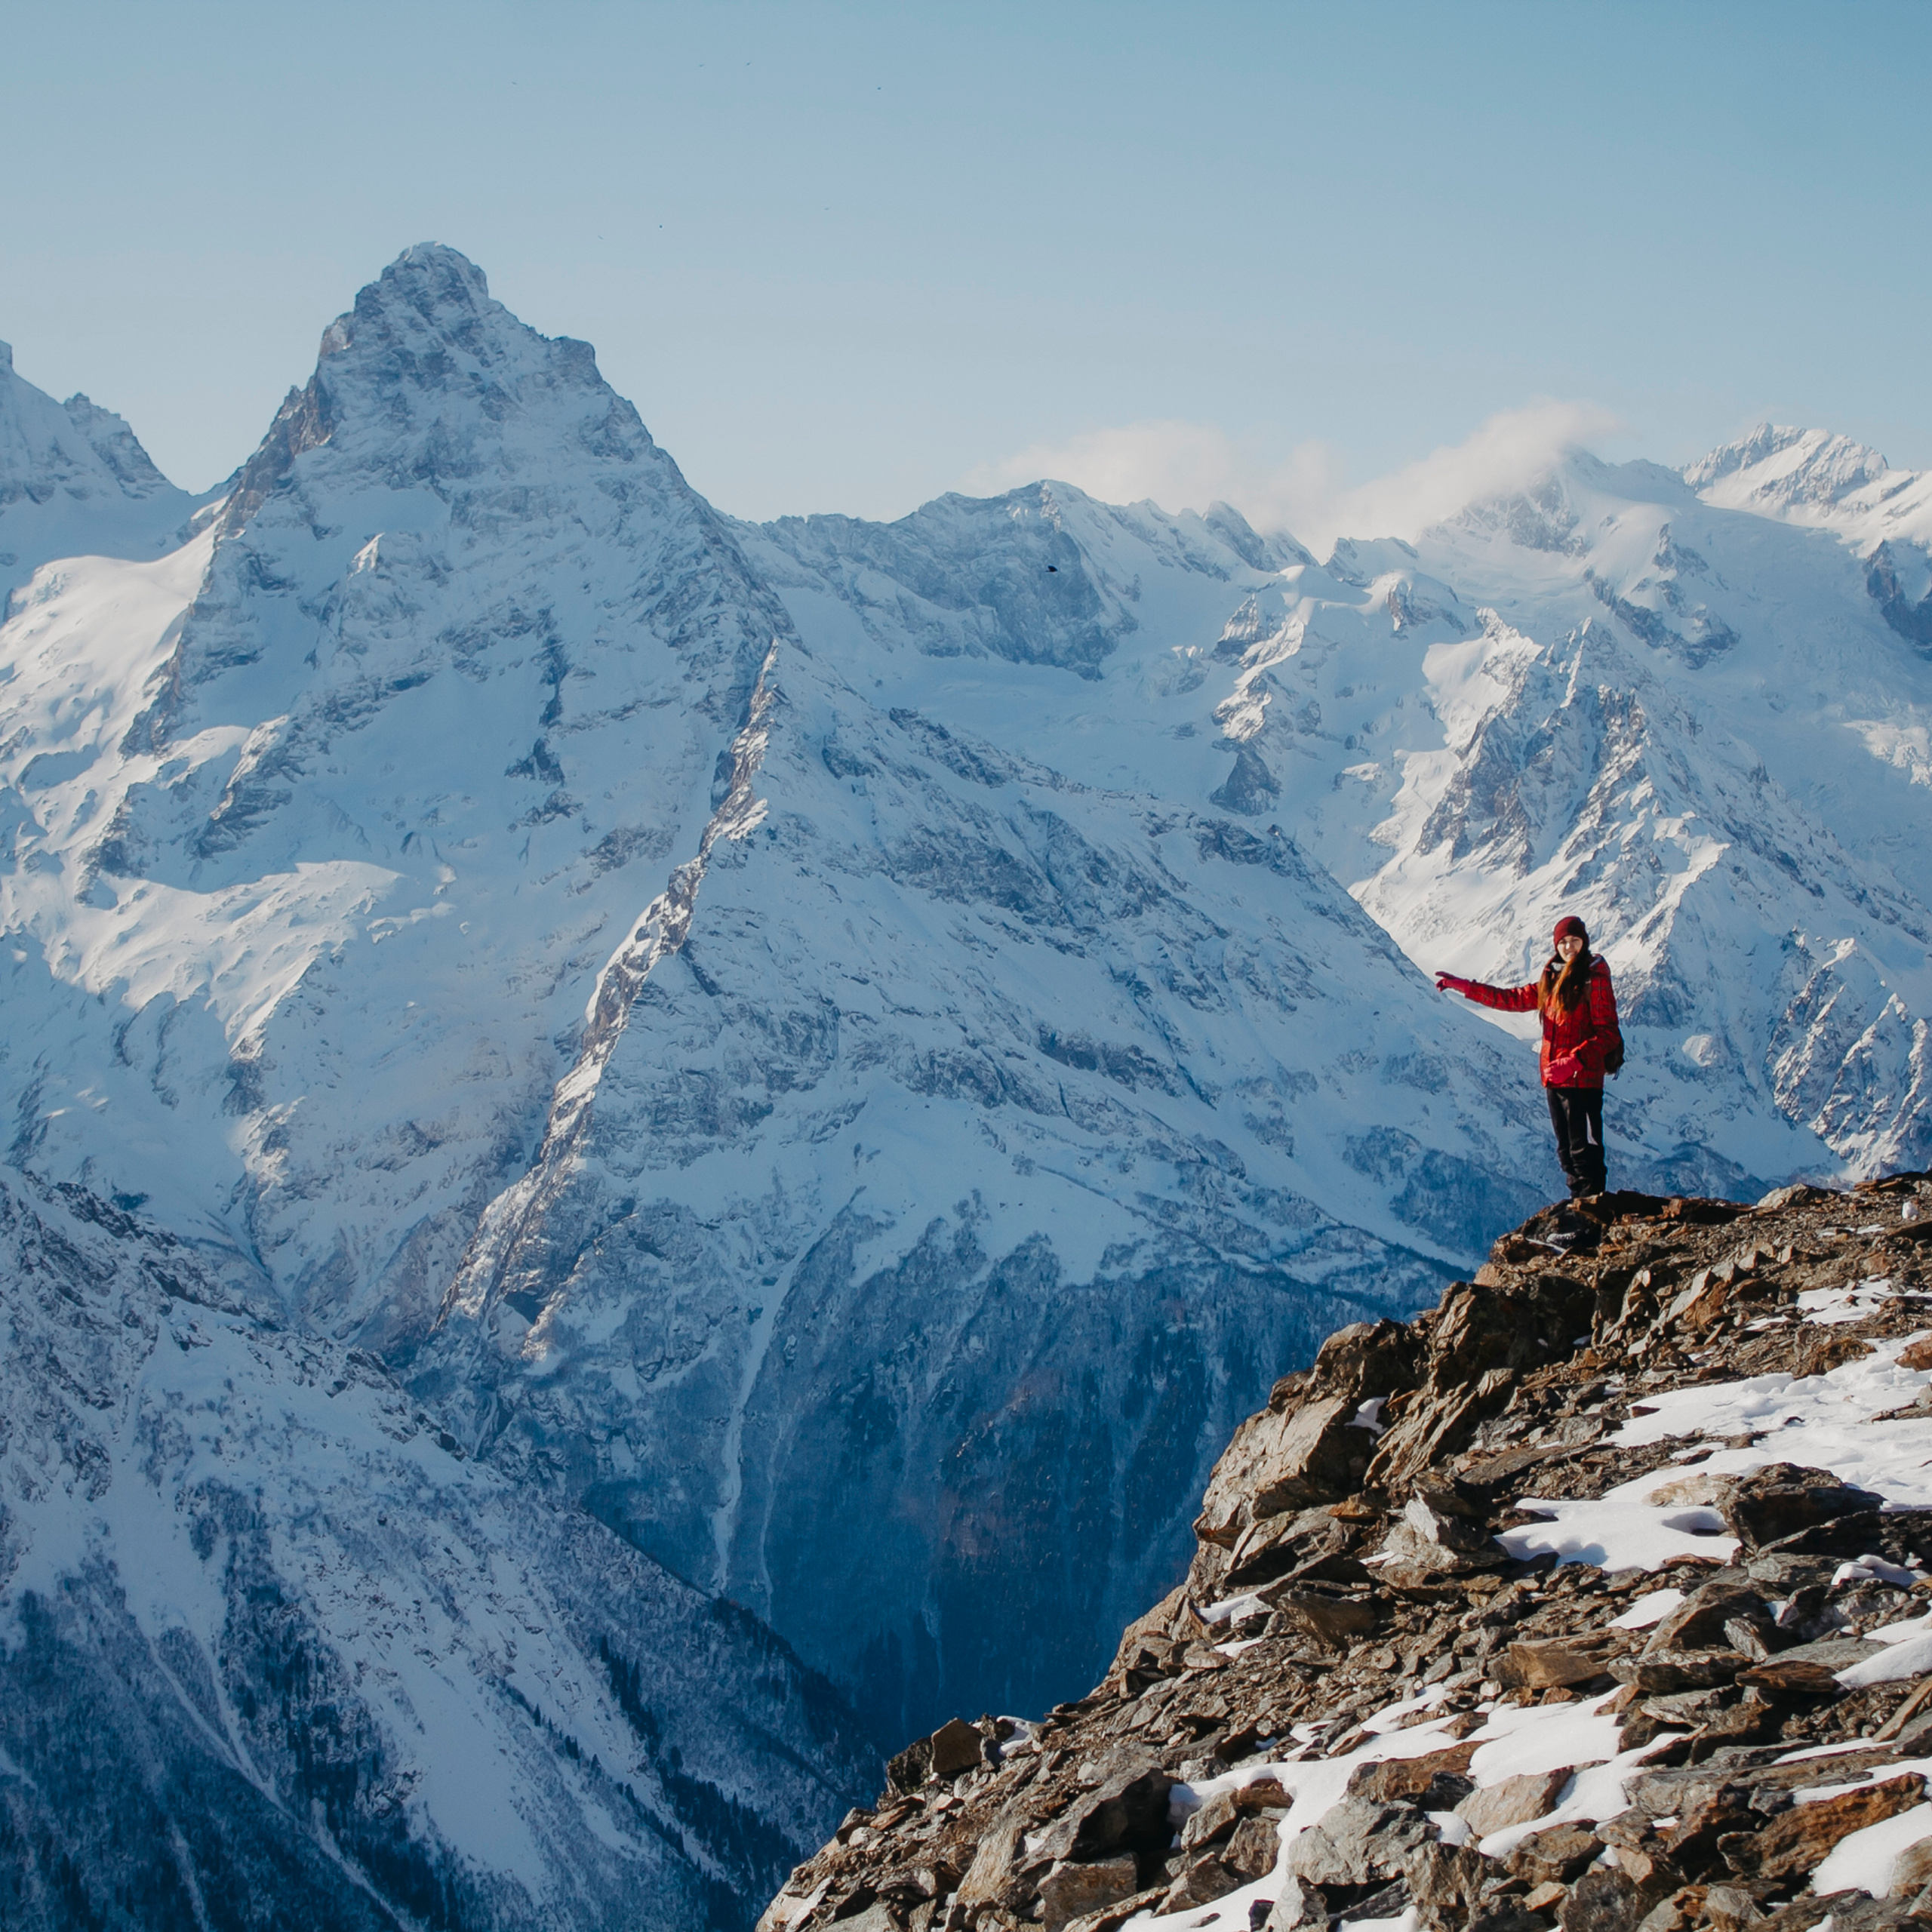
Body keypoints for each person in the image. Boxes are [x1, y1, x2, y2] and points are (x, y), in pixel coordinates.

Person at [1435, 915, 1622, 1198]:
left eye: (1575, 941)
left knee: (1585, 1150)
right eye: (1563, 942)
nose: (1569, 947)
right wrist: (1466, 988)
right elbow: (1510, 998)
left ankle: (1593, 1214)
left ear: (1584, 942)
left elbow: (1609, 1033)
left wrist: (1574, 1061)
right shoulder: (1553, 978)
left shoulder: (1592, 979)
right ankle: (1579, 1209)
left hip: (1582, 1079)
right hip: (1554, 1079)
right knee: (1566, 1152)